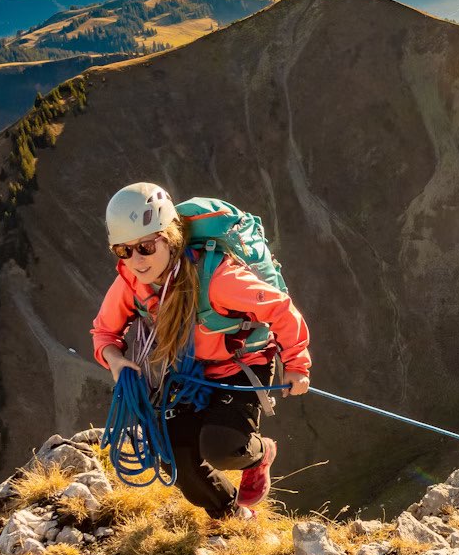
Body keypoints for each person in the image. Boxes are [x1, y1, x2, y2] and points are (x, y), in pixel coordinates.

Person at [91, 182, 311, 519]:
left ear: (169, 237)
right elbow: (104, 331)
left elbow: (280, 309)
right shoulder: (131, 284)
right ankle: (230, 516)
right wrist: (115, 359)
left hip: (241, 366)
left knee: (222, 446)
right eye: (124, 250)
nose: (136, 260)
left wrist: (296, 363)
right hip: (187, 373)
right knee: (174, 459)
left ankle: (259, 454)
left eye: (146, 247)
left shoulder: (219, 279)